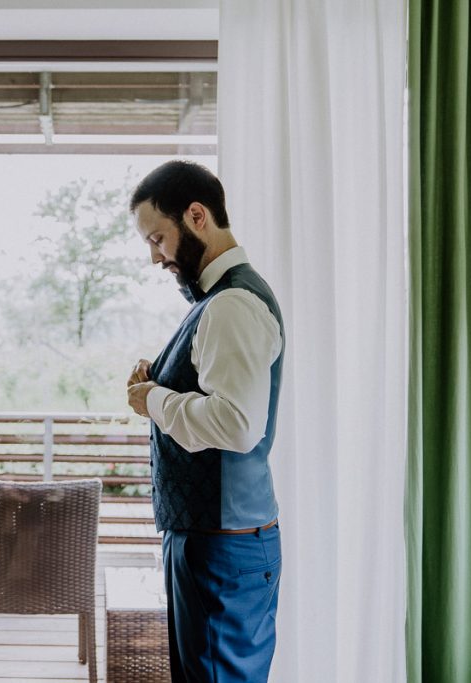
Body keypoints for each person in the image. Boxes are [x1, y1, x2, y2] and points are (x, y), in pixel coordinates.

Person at [126, 160, 285, 682]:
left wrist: (153, 399)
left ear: (197, 216)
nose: (156, 257)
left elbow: (237, 425)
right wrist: (164, 383)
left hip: (221, 545)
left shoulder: (232, 304)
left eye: (158, 238)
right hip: (216, 538)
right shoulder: (218, 301)